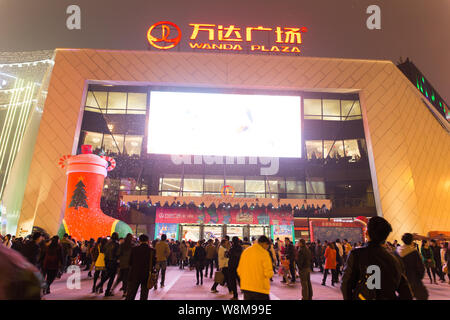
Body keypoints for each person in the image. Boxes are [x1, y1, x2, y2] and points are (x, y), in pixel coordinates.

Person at [341, 216, 413, 300]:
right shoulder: (395, 259)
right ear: (385, 236)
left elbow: (346, 285)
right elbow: (406, 293)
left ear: (367, 233)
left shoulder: (356, 254)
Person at [237, 236, 274, 300]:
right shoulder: (264, 253)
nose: (267, 247)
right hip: (260, 288)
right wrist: (271, 273)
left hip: (246, 287)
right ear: (264, 243)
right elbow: (268, 273)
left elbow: (239, 270)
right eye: (267, 245)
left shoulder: (246, 251)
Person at [396, 233, 428, 300]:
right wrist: (419, 278)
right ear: (411, 241)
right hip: (413, 280)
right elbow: (421, 268)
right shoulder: (414, 253)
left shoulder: (396, 252)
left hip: (401, 282)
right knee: (423, 296)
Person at [126, 234, 156, 300]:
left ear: (139, 240)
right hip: (146, 274)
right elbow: (154, 263)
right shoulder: (152, 250)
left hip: (135, 273)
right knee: (144, 295)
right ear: (147, 240)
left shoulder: (134, 249)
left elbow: (130, 262)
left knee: (131, 293)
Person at [112, 233, 133, 297]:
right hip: (129, 264)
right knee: (126, 278)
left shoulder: (122, 245)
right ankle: (125, 292)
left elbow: (118, 253)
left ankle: (112, 289)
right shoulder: (132, 245)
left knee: (120, 277)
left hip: (122, 263)